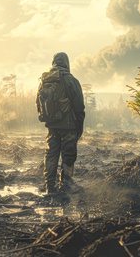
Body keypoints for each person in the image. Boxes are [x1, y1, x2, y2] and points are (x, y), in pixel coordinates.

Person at [37, 52, 85, 194]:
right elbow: (79, 105)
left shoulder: (44, 80)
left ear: (54, 62)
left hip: (51, 126)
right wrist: (79, 126)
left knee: (51, 154)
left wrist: (47, 119)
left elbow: (38, 102)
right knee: (68, 155)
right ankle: (65, 186)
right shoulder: (70, 79)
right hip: (69, 125)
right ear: (66, 63)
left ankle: (49, 186)